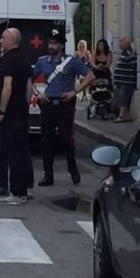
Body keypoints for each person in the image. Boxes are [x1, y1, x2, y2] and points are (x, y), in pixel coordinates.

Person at [33, 29, 95, 187]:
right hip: (47, 104)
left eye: (54, 43)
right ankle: (48, 176)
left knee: (65, 138)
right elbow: (28, 78)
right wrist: (37, 93)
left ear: (61, 45)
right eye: (50, 43)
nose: (51, 46)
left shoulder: (71, 62)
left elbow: (90, 76)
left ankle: (73, 169)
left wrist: (75, 91)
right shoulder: (42, 61)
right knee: (46, 140)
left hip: (64, 104)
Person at [0, 28, 34, 206]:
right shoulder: (24, 59)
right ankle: (24, 189)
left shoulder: (8, 60)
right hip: (22, 112)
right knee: (22, 152)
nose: (0, 41)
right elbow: (29, 87)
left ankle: (17, 193)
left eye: (3, 38)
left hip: (10, 113)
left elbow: (7, 87)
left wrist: (1, 112)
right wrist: (24, 105)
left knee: (13, 153)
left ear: (12, 40)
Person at [113, 37, 137, 123]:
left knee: (124, 98)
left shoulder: (130, 53)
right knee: (122, 98)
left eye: (121, 42)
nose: (119, 44)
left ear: (126, 44)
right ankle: (126, 115)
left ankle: (122, 116)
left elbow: (134, 67)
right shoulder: (124, 53)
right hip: (122, 81)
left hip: (127, 81)